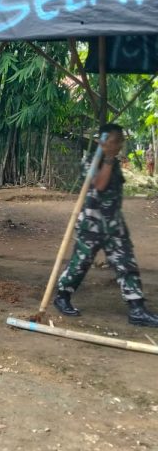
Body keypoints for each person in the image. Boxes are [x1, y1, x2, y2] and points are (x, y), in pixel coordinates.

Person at [54, 124, 158, 327]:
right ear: (103, 142)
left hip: (114, 226)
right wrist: (108, 158)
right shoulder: (91, 161)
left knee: (126, 264)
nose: (119, 145)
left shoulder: (115, 162)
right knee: (80, 264)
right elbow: (99, 185)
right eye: (115, 141)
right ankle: (62, 296)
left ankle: (137, 308)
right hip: (91, 225)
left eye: (120, 141)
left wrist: (111, 159)